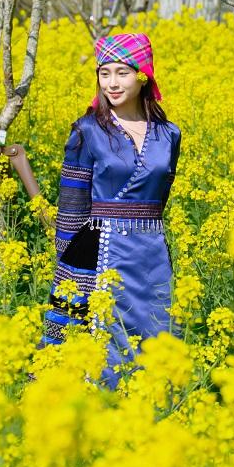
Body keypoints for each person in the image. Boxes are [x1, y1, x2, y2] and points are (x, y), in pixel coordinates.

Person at [39, 32, 182, 387]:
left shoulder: (169, 134)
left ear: (143, 74)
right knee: (97, 343)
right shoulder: (87, 130)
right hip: (99, 251)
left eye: (122, 72)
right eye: (104, 73)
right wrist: (66, 271)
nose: (112, 83)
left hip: (151, 252)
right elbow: (71, 204)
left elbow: (160, 195)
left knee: (156, 336)